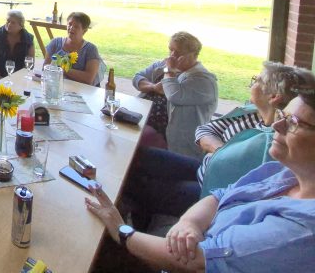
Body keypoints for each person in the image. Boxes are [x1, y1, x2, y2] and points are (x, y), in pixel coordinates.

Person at [85, 66, 315, 273]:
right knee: (139, 159)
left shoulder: (302, 228)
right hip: (204, 176)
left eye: (294, 122)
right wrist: (189, 223)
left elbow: (197, 259)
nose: (277, 125)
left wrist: (121, 230)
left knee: (99, 242)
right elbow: (220, 195)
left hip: (194, 238)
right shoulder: (282, 173)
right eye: (283, 116)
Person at [126, 61, 301, 229]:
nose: (252, 83)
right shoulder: (251, 113)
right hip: (205, 167)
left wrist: (218, 152)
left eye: (258, 80)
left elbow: (246, 184)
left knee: (138, 185)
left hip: (211, 192)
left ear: (273, 96)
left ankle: (131, 236)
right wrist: (222, 152)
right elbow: (205, 129)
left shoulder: (275, 140)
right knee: (138, 155)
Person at [132, 31, 218, 158]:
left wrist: (169, 71)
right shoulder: (163, 65)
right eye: (170, 50)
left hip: (172, 139)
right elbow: (137, 78)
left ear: (193, 55)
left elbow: (174, 95)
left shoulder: (203, 80)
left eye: (178, 53)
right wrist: (153, 87)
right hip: (142, 119)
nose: (172, 56)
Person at [42, 11, 102, 86]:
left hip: (81, 90)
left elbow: (89, 78)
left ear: (84, 31)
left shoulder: (90, 49)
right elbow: (45, 68)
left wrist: (62, 69)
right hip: (56, 87)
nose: (71, 28)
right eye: (69, 24)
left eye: (76, 26)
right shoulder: (55, 43)